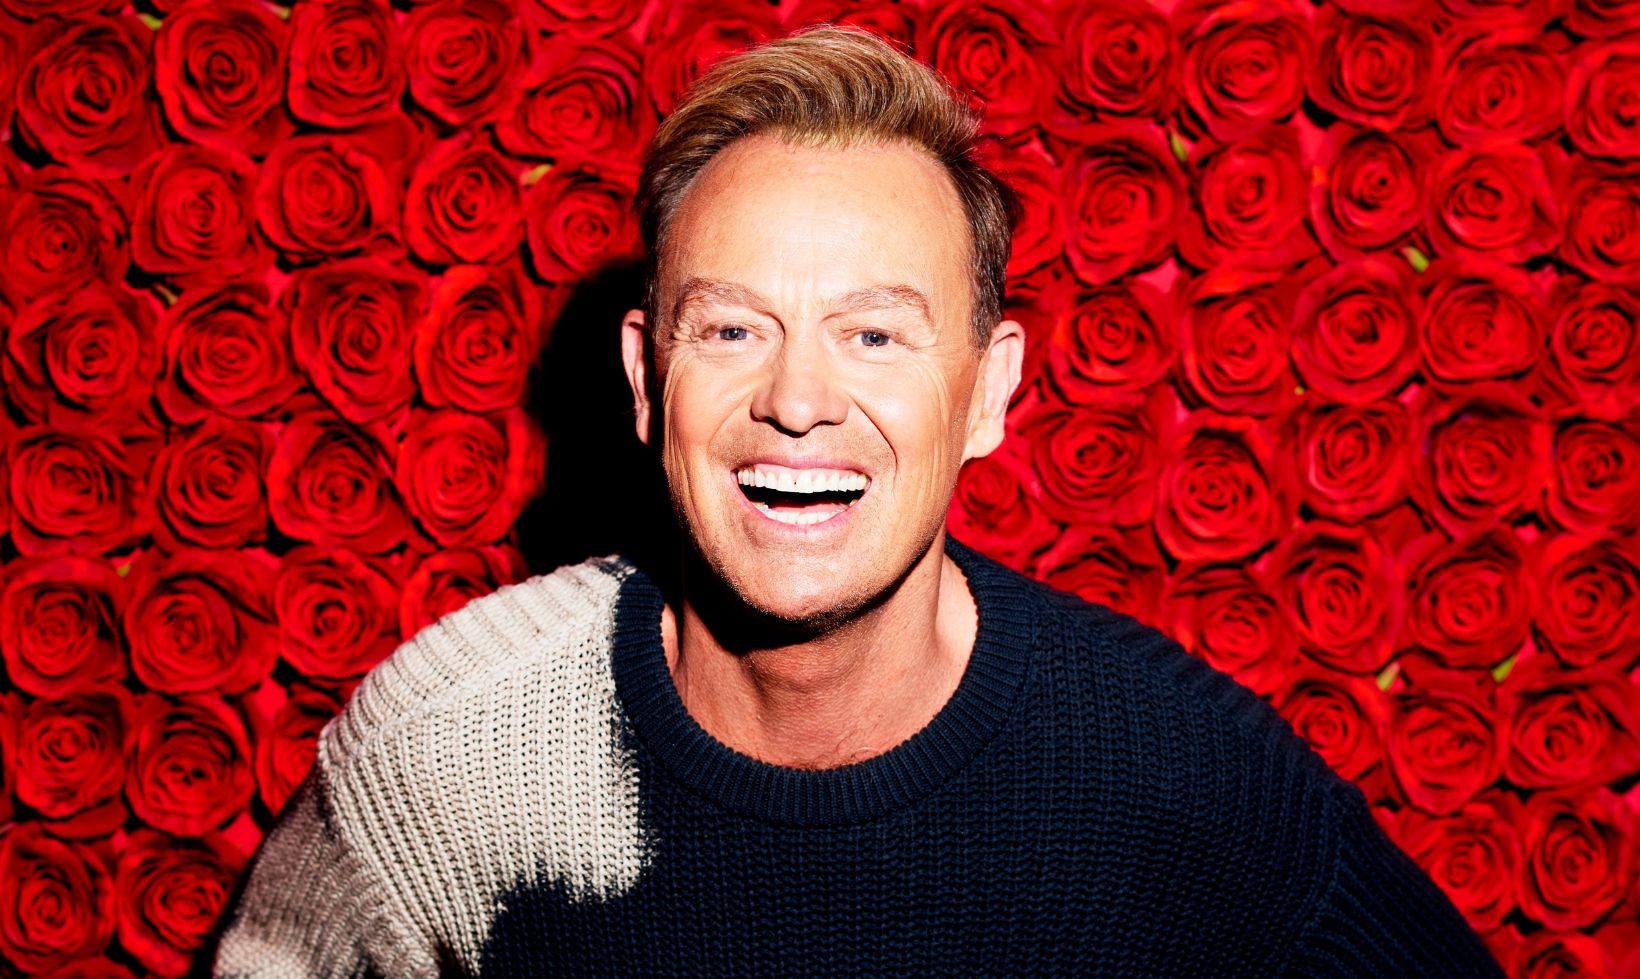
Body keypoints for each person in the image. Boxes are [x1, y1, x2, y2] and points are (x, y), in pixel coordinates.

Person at [213, 25, 1505, 978]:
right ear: (646, 380)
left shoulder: (1180, 782)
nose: (797, 400)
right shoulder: (446, 761)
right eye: (731, 329)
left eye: (875, 335)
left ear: (988, 393)